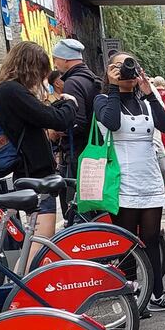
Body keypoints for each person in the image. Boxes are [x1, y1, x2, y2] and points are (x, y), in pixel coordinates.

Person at [94, 54, 165, 313]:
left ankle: (157, 293)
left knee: (151, 239)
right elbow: (111, 123)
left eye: (131, 65)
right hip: (121, 181)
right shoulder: (102, 100)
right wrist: (114, 87)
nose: (127, 71)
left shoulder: (145, 99)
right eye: (120, 66)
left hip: (148, 179)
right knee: (127, 242)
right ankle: (133, 295)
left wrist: (148, 92)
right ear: (109, 71)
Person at [0, 41, 78, 255]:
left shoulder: (5, 90)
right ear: (31, 67)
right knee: (39, 245)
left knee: (36, 242)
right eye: (40, 71)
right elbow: (54, 119)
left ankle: (28, 283)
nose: (41, 78)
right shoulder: (12, 91)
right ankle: (30, 287)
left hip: (30, 172)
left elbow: (36, 116)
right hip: (35, 175)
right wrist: (71, 104)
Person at [52, 38, 100, 205]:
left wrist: (58, 130)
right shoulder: (92, 78)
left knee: (77, 208)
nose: (55, 63)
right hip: (94, 151)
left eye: (56, 59)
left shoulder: (72, 83)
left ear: (65, 59)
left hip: (78, 154)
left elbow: (77, 122)